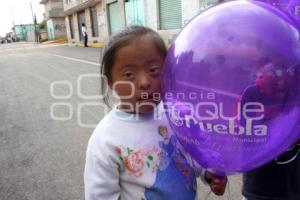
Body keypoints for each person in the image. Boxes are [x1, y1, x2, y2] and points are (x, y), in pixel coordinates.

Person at [84, 26, 227, 200]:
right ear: (111, 82)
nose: (144, 82)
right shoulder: (105, 139)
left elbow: (193, 153)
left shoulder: (176, 116)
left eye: (153, 70)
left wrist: (208, 174)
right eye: (129, 74)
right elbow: (99, 195)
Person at [241, 60, 300, 200]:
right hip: (259, 186)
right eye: (274, 72)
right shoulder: (252, 92)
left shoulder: (294, 91)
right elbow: (243, 133)